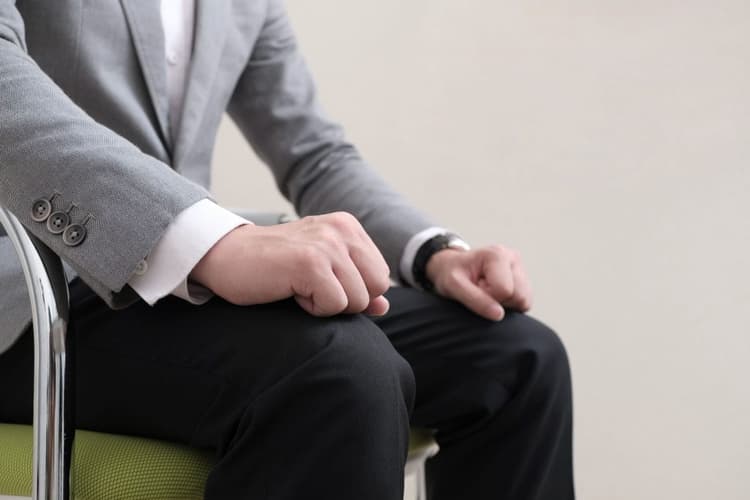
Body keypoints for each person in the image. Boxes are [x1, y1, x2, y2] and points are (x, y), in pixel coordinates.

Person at [0, 1, 574, 498]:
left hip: (171, 293)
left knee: (514, 354)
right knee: (335, 368)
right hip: (31, 297)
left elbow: (313, 152)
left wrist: (435, 253)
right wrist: (209, 240)